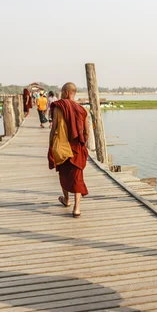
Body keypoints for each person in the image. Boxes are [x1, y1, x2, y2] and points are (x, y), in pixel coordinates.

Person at [48, 82, 89, 217]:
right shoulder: (82, 110)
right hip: (76, 147)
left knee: (63, 174)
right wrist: (83, 145)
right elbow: (87, 132)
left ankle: (66, 200)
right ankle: (77, 208)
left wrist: (50, 145)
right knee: (77, 176)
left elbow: (54, 128)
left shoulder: (59, 107)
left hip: (62, 146)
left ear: (66, 92)